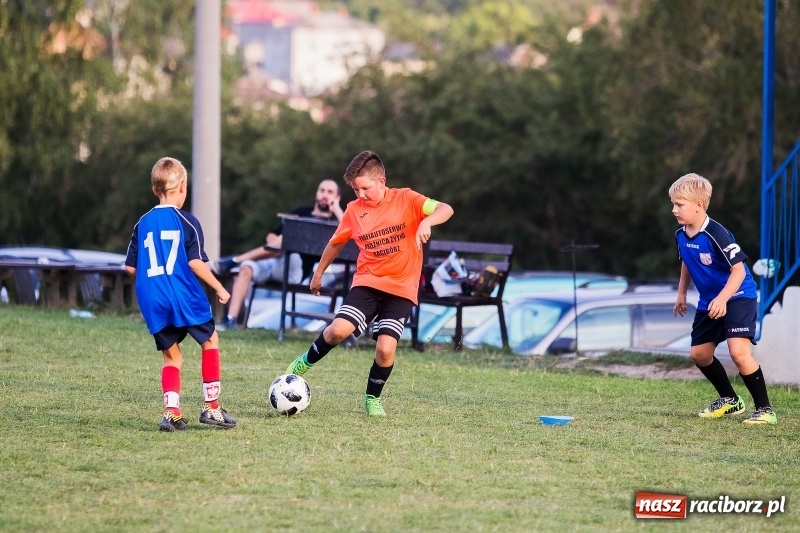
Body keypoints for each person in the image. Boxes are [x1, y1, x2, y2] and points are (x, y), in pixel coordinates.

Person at [285, 150, 454, 416]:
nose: (360, 194)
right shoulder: (354, 210)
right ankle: (303, 363)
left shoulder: (407, 199)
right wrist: (318, 274)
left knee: (385, 349)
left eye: (365, 188)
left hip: (401, 289)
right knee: (337, 331)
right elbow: (336, 243)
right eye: (355, 190)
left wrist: (427, 223)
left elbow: (446, 208)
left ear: (381, 181)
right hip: (368, 282)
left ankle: (372, 398)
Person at [125, 156, 236, 432]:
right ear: (183, 186)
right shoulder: (187, 221)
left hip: (153, 299)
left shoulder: (142, 223)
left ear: (155, 189)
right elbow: (195, 262)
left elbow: (130, 267)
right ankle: (212, 407)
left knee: (172, 356)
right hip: (183, 293)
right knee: (210, 339)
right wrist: (220, 287)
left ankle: (172, 413)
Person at [670, 173, 777, 425]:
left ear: (699, 205)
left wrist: (722, 299)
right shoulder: (681, 234)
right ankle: (730, 400)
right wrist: (682, 293)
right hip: (711, 300)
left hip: (738, 295)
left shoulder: (716, 233)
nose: (674, 210)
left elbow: (738, 271)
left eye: (679, 205)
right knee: (699, 354)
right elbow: (687, 262)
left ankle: (765, 410)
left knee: (738, 353)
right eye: (673, 204)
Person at [216, 179, 344, 330]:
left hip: (296, 268)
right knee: (246, 268)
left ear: (337, 197)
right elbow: (271, 236)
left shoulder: (335, 222)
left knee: (287, 239)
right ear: (317, 193)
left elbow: (349, 231)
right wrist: (277, 246)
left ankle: (235, 260)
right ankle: (230, 320)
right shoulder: (301, 211)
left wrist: (336, 209)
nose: (325, 195)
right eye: (322, 190)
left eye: (330, 192)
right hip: (276, 260)